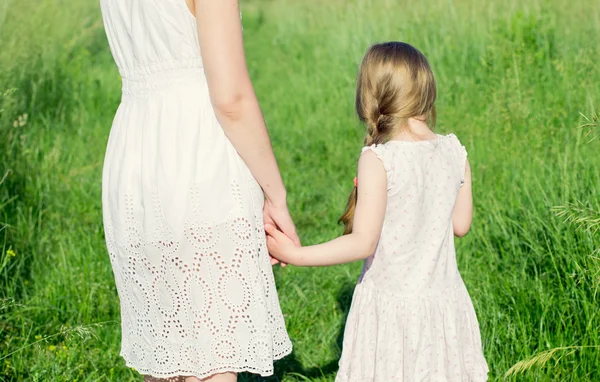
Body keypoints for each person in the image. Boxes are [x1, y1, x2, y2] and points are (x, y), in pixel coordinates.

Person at [99, 0, 299, 381]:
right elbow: (230, 98)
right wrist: (277, 196)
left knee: (166, 350)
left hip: (133, 152)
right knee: (214, 355)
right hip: (198, 152)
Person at [266, 42, 489, 381]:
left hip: (392, 310)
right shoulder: (455, 151)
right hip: (442, 304)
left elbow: (362, 244)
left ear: (370, 97)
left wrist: (295, 254)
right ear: (427, 93)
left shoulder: (379, 159)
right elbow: (461, 224)